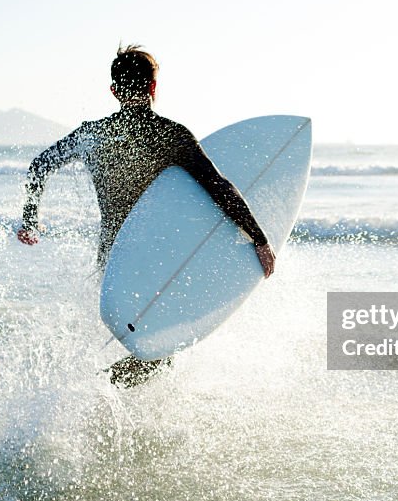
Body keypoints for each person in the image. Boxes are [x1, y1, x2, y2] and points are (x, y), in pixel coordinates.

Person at [17, 45, 275, 385]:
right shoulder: (172, 135)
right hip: (157, 259)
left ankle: (95, 395)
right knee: (160, 349)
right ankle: (99, 391)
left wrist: (30, 219)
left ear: (114, 91)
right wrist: (259, 238)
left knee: (137, 341)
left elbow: (39, 165)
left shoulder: (94, 133)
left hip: (111, 259)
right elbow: (218, 186)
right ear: (154, 87)